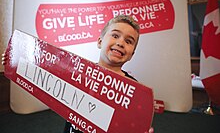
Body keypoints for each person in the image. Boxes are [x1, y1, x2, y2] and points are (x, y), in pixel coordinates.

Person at [2, 15, 154, 133]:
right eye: (115, 35)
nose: (120, 43)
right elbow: (43, 75)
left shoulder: (133, 89)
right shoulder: (78, 72)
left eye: (129, 41)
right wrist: (14, 61)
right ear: (100, 41)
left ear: (132, 54)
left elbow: (134, 122)